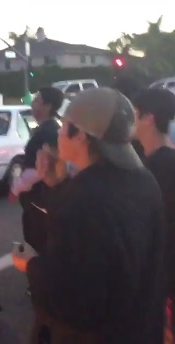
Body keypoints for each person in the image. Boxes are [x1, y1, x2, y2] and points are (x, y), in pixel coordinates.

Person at [23, 88, 167, 343]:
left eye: (65, 125)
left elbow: (75, 302)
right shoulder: (144, 181)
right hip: (142, 327)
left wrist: (30, 266)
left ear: (81, 137)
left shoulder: (86, 200)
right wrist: (57, 186)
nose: (58, 131)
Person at [131, 88, 175, 341]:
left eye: (135, 114)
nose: (131, 121)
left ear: (149, 118)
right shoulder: (147, 160)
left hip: (164, 282)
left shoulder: (162, 167)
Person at [9, 87, 64, 255]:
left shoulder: (48, 132)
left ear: (48, 106)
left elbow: (41, 169)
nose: (32, 104)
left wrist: (17, 188)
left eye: (36, 100)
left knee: (38, 245)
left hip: (40, 200)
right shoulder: (48, 129)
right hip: (39, 199)